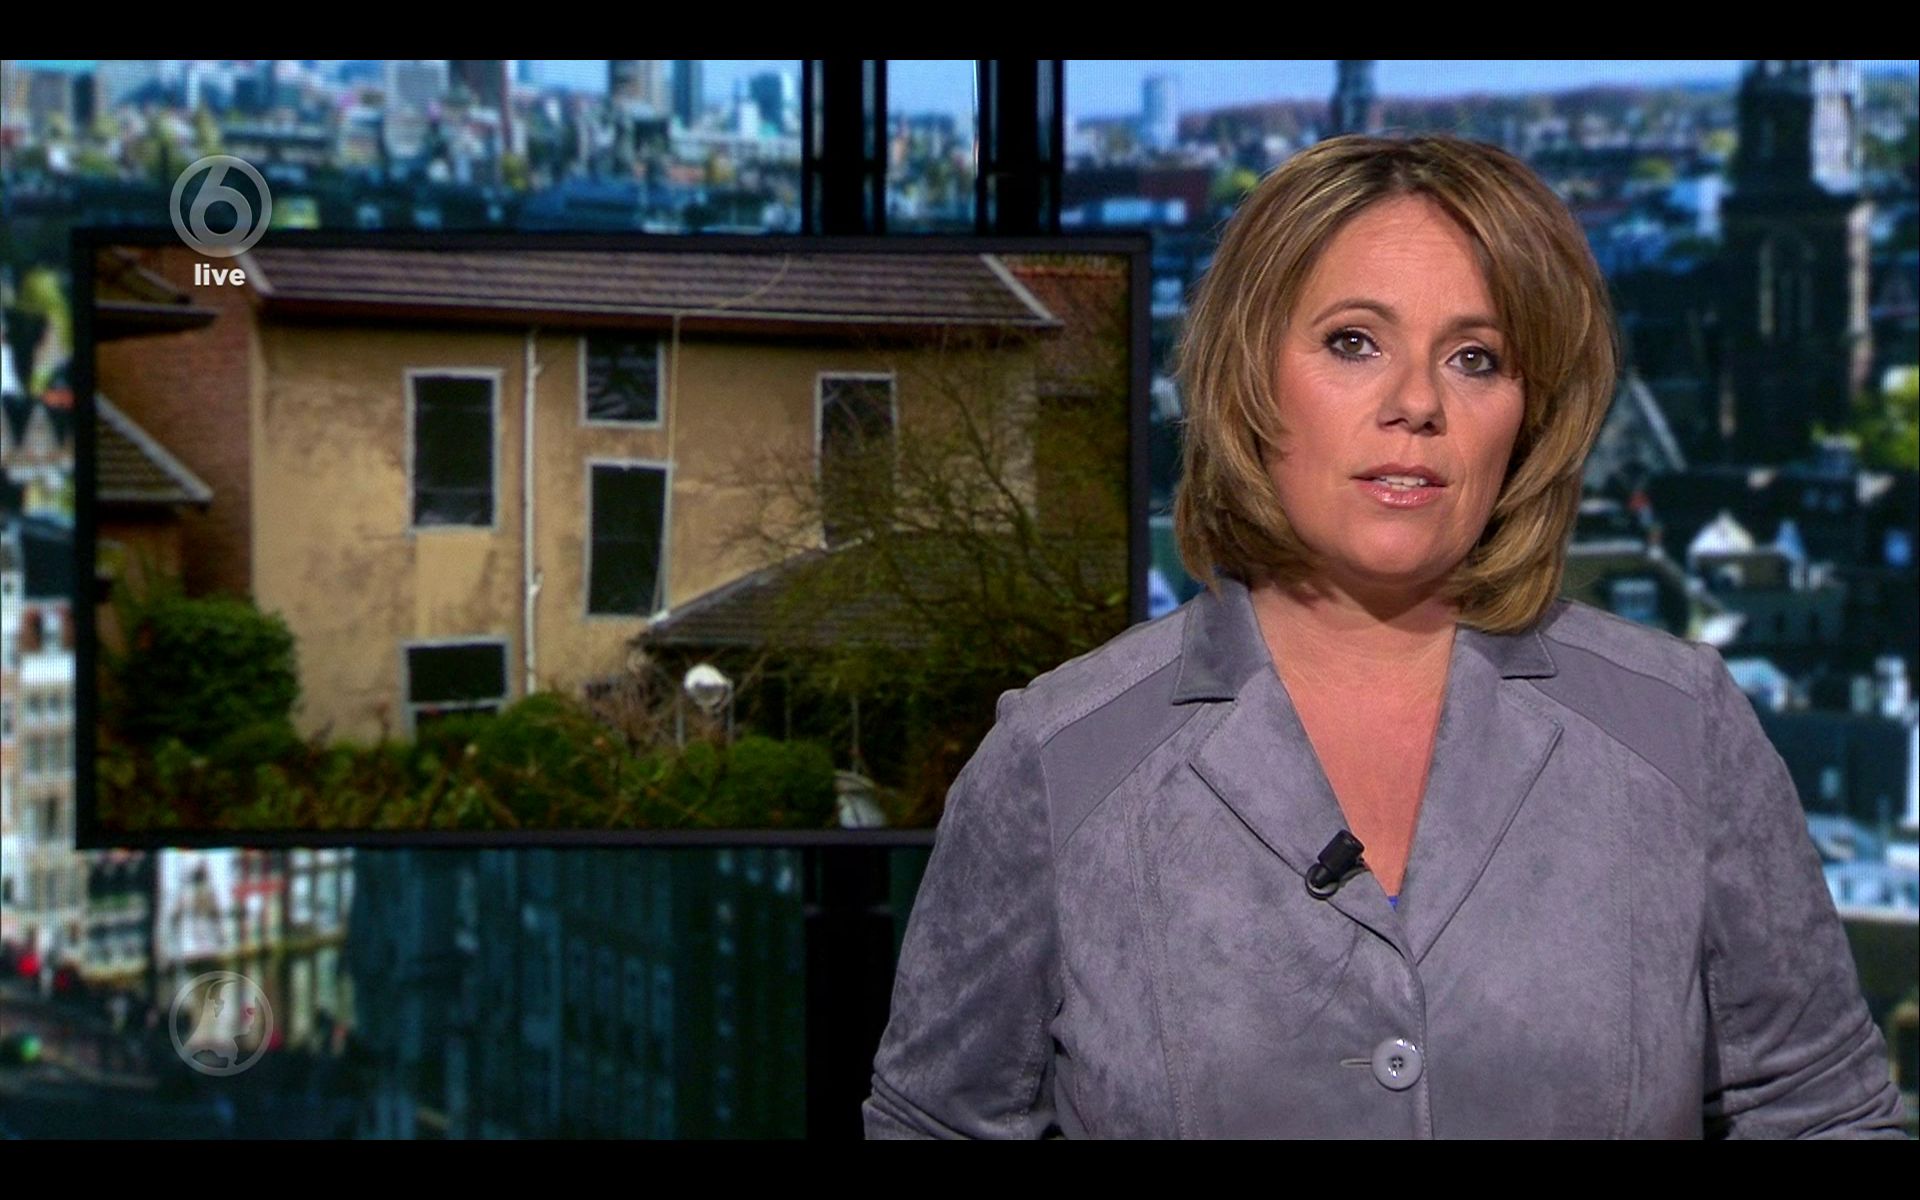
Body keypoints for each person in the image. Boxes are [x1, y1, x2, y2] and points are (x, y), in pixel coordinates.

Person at [862, 134, 1907, 1139]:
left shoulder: (1682, 730)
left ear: (1530, 416)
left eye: (1476, 358)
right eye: (1353, 342)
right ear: (1249, 378)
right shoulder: (1058, 762)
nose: (1416, 403)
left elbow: (1824, 1116)